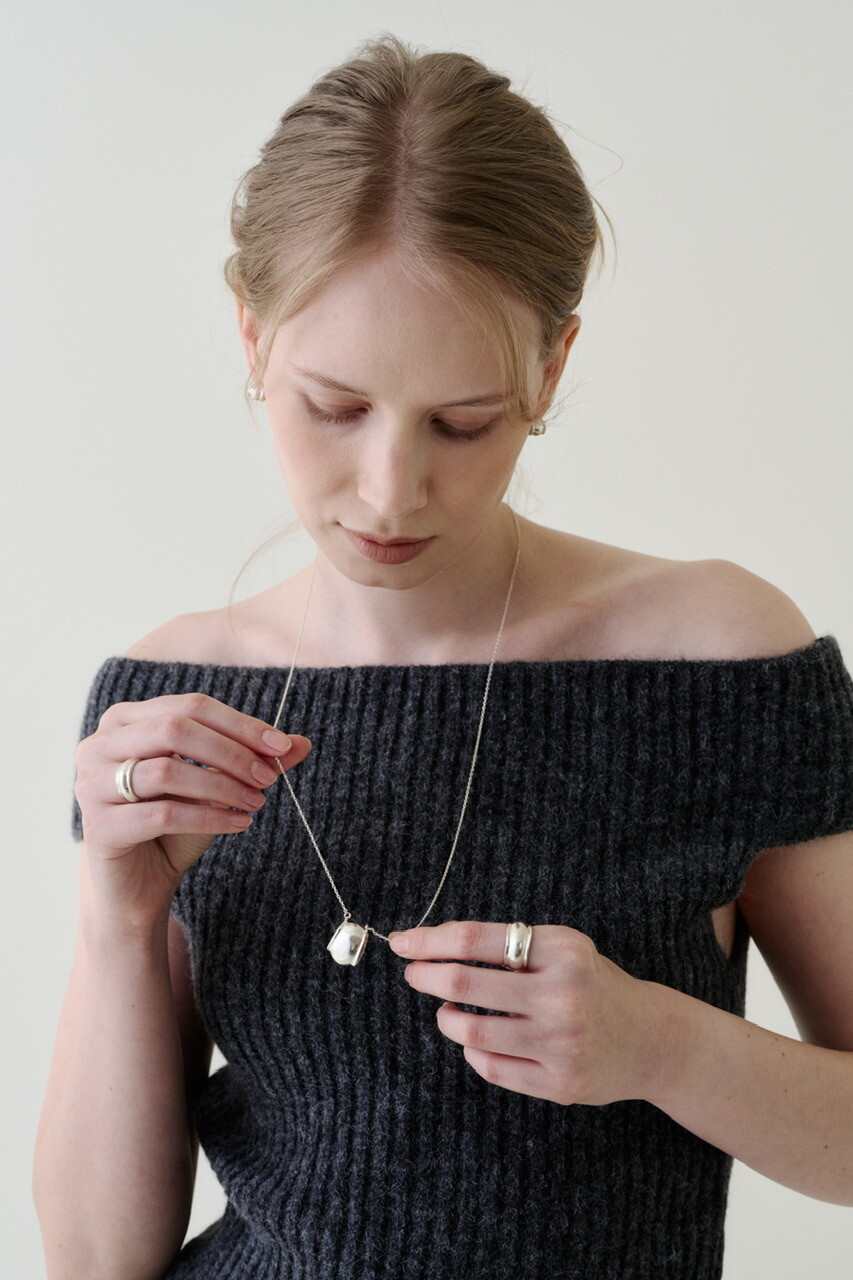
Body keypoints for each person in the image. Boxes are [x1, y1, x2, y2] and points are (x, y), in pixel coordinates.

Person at [34, 31, 853, 1280]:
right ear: (251, 337)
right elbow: (98, 1256)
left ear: (551, 366)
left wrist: (659, 1045)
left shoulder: (722, 662)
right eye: (335, 407)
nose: (389, 489)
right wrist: (115, 917)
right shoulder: (171, 698)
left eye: (461, 423)